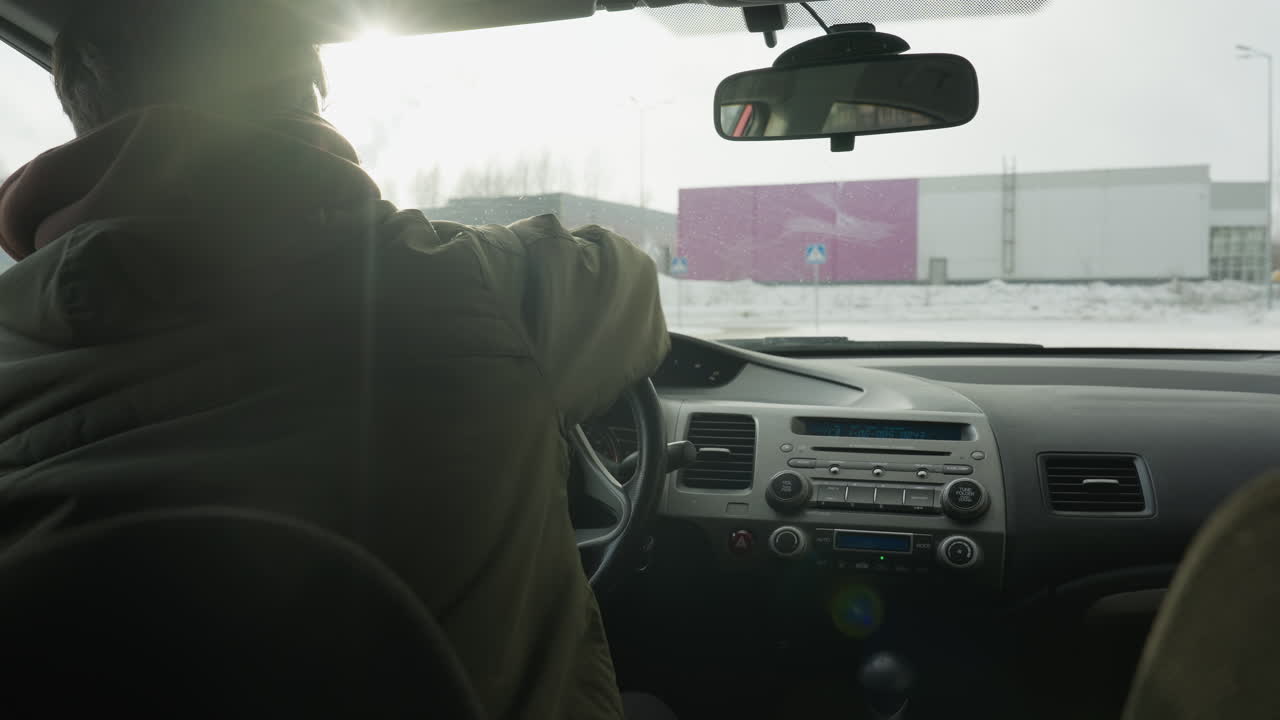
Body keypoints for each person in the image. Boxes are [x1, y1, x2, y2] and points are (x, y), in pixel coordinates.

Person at [0, 2, 670, 719]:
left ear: (82, 100)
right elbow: (631, 284)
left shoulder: (12, 343)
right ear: (309, 88)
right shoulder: (485, 288)